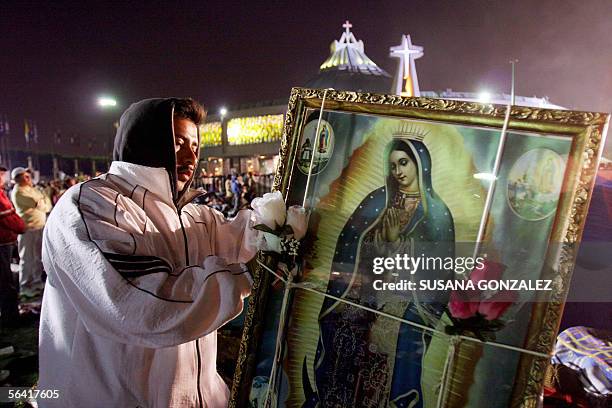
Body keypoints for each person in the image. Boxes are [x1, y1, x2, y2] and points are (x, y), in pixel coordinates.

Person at [38, 98, 281, 407]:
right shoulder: (90, 205)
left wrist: (284, 222)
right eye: (178, 142)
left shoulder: (195, 216)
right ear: (144, 141)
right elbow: (141, 303)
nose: (190, 155)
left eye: (194, 145)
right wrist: (251, 272)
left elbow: (243, 238)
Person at [304, 137, 455, 408]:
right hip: (365, 291)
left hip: (405, 302)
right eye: (393, 164)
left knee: (387, 340)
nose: (398, 171)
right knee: (341, 326)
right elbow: (351, 247)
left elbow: (436, 271)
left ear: (421, 165)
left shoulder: (437, 213)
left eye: (404, 163)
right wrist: (381, 241)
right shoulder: (377, 200)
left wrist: (399, 243)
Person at [10, 167, 51, 298]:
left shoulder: (31, 189)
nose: (28, 178)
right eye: (25, 176)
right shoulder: (18, 192)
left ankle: (36, 283)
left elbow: (47, 205)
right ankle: (25, 286)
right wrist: (42, 201)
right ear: (18, 179)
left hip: (39, 227)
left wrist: (42, 202)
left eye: (28, 175)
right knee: (26, 259)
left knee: (37, 257)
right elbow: (39, 203)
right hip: (28, 229)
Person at [0, 166, 26, 327]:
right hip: (2, 241)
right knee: (6, 281)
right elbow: (7, 217)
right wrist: (20, 226)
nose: (2, 177)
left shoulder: (2, 192)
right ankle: (10, 318)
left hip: (6, 240)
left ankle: (10, 314)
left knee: (7, 279)